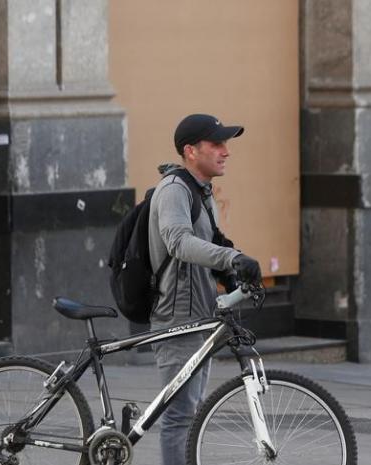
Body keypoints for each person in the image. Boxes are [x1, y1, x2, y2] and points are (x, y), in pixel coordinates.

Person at [149, 113, 262, 465]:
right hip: (177, 315)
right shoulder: (174, 191)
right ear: (191, 151)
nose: (226, 151)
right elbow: (179, 242)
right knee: (180, 415)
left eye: (225, 144)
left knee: (190, 412)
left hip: (201, 312)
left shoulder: (202, 191)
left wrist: (235, 276)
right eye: (216, 144)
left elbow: (210, 244)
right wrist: (233, 258)